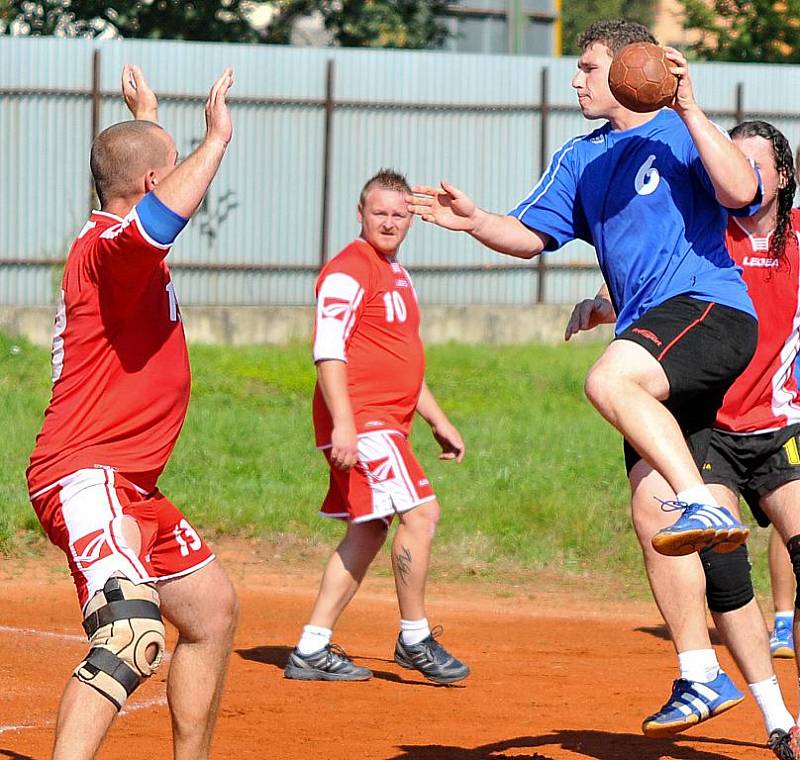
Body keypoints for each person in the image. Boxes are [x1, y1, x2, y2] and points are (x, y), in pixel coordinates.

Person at [408, 13, 763, 738]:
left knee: (608, 383)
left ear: (633, 69)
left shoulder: (677, 130)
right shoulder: (580, 157)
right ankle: (700, 675)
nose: (576, 78)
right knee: (649, 513)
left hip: (708, 311)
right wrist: (475, 219)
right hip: (655, 337)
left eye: (590, 67)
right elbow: (528, 235)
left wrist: (691, 105)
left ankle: (708, 502)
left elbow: (740, 192)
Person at [566, 120, 800, 757]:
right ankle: (778, 717)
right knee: (727, 581)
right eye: (726, 156)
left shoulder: (798, 242)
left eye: (752, 162)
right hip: (712, 435)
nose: (734, 169)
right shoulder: (707, 231)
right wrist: (603, 303)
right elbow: (663, 290)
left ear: (779, 176)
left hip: (781, 430)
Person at [26, 65, 238, 760]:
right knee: (129, 636)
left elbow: (147, 189)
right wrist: (214, 141)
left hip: (130, 483)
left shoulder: (117, 250)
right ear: (150, 185)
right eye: (168, 168)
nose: (180, 177)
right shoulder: (114, 248)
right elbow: (158, 216)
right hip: (86, 475)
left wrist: (146, 116)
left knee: (210, 611)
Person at [284, 169, 469, 685]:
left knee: (368, 530)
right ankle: (415, 638)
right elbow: (327, 350)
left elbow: (401, 359)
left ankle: (311, 648)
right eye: (379, 212)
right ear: (360, 215)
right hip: (364, 423)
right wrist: (344, 424)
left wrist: (438, 419)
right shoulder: (348, 271)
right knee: (422, 515)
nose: (389, 222)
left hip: (386, 422)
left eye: (399, 213)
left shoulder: (397, 274)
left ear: (411, 217)